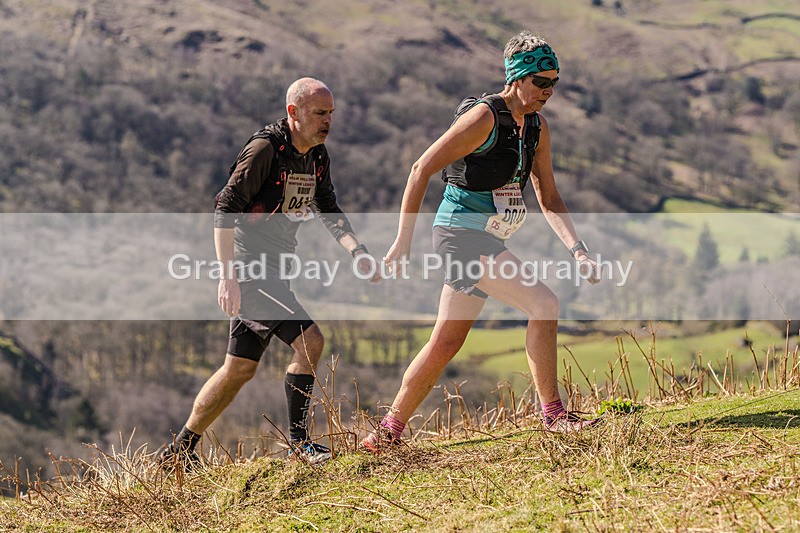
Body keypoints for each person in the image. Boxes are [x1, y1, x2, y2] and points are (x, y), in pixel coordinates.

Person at [361, 31, 601, 452]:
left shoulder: (538, 128)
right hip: (459, 236)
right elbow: (420, 169)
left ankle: (385, 434)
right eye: (541, 82)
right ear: (517, 78)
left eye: (554, 83)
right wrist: (402, 241)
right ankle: (554, 417)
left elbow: (548, 194)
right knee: (544, 304)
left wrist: (576, 248)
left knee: (446, 342)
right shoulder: (485, 118)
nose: (548, 91)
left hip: (483, 237)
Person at [159, 77, 378, 468]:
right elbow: (226, 207)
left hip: (277, 269)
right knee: (310, 342)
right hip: (251, 270)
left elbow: (328, 206)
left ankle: (179, 449)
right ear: (293, 112)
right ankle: (299, 443)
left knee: (238, 369)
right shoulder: (265, 149)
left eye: (331, 113)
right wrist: (227, 276)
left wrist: (356, 251)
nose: (328, 121)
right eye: (319, 113)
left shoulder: (317, 156)